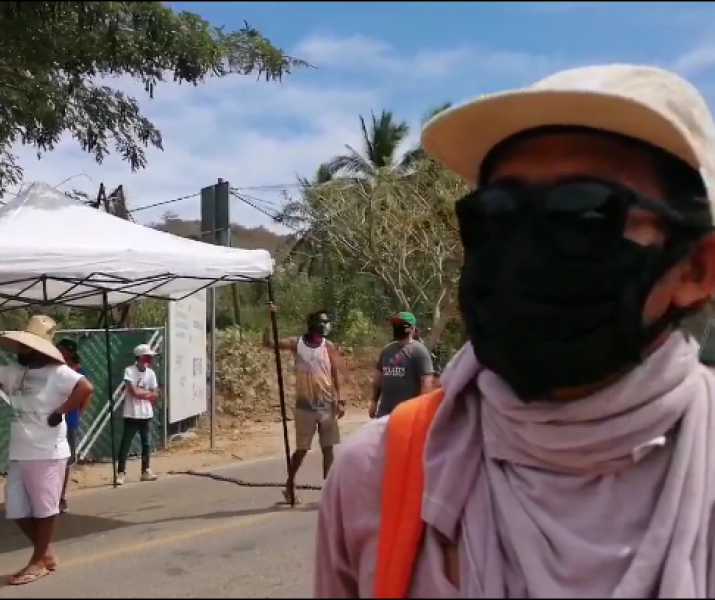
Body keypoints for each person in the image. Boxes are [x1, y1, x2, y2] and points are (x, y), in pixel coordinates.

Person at [315, 64, 715, 598]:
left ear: (696, 268)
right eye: (497, 217)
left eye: (584, 217)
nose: (527, 250)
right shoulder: (376, 473)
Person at [0, 315, 93, 586]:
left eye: (25, 347)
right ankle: (45, 553)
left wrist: (61, 411)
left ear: (39, 349)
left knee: (45, 509)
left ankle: (39, 561)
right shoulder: (15, 371)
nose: (20, 351)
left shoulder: (58, 372)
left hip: (47, 451)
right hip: (20, 451)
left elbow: (85, 387)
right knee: (16, 508)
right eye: (20, 347)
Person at [263, 305, 344, 504]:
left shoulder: (329, 346)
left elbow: (334, 373)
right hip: (305, 407)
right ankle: (290, 485)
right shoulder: (297, 343)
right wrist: (269, 318)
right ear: (313, 324)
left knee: (328, 449)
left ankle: (329, 490)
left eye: (327, 321)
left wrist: (339, 399)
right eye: (322, 322)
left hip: (326, 405)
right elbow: (268, 343)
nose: (325, 325)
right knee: (302, 449)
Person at [369, 312, 434, 419]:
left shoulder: (419, 351)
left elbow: (426, 383)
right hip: (385, 412)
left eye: (400, 324)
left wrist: (422, 410)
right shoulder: (387, 350)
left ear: (412, 329)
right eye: (395, 324)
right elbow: (377, 380)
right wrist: (374, 401)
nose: (397, 327)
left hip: (408, 414)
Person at [115, 343, 160, 486]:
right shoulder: (130, 371)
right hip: (132, 413)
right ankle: (121, 472)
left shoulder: (151, 373)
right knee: (126, 443)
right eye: (147, 357)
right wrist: (147, 394)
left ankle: (145, 470)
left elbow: (156, 394)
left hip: (146, 413)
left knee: (146, 443)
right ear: (140, 358)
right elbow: (133, 391)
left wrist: (144, 394)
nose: (150, 360)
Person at [55, 339, 91, 514]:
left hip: (68, 420)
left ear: (68, 352)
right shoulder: (55, 369)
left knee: (66, 461)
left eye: (61, 349)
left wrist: (77, 414)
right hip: (53, 420)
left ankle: (61, 496)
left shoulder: (78, 372)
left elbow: (86, 395)